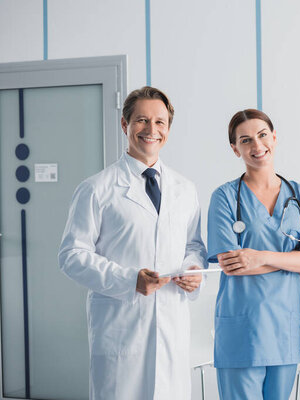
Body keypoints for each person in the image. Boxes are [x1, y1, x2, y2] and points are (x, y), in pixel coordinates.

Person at [58, 86, 207, 399]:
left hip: (170, 322)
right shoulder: (97, 189)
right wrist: (129, 280)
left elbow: (194, 246)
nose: (151, 130)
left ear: (168, 129)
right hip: (121, 326)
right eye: (141, 120)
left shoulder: (185, 189)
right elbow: (71, 255)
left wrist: (193, 269)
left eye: (160, 122)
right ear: (125, 125)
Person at [207, 109, 300, 399]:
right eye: (246, 140)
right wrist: (293, 261)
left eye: (262, 135)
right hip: (241, 331)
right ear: (234, 148)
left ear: (274, 138)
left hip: (284, 330)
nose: (257, 145)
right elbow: (231, 264)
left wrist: (260, 257)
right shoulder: (224, 197)